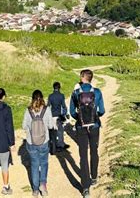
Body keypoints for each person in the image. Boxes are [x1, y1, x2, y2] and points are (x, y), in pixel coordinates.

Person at [70, 69, 105, 198]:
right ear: (91, 79)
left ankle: (85, 187)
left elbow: (72, 112)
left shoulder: (75, 93)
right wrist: (95, 117)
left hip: (81, 127)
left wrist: (80, 119)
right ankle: (94, 176)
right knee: (94, 151)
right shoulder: (97, 92)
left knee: (83, 155)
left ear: (82, 78)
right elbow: (102, 110)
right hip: (94, 126)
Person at [23, 89, 55, 197]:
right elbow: (50, 126)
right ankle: (43, 185)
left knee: (34, 165)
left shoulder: (28, 110)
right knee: (44, 163)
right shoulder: (47, 110)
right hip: (44, 141)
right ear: (42, 98)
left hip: (31, 142)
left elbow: (23, 126)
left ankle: (35, 190)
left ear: (32, 99)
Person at [47, 81, 69, 151]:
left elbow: (48, 106)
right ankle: (61, 145)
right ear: (59, 88)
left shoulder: (50, 96)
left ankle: (54, 144)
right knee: (60, 131)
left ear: (53, 88)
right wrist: (65, 114)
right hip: (59, 115)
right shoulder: (61, 95)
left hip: (52, 115)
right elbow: (64, 106)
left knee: (53, 131)